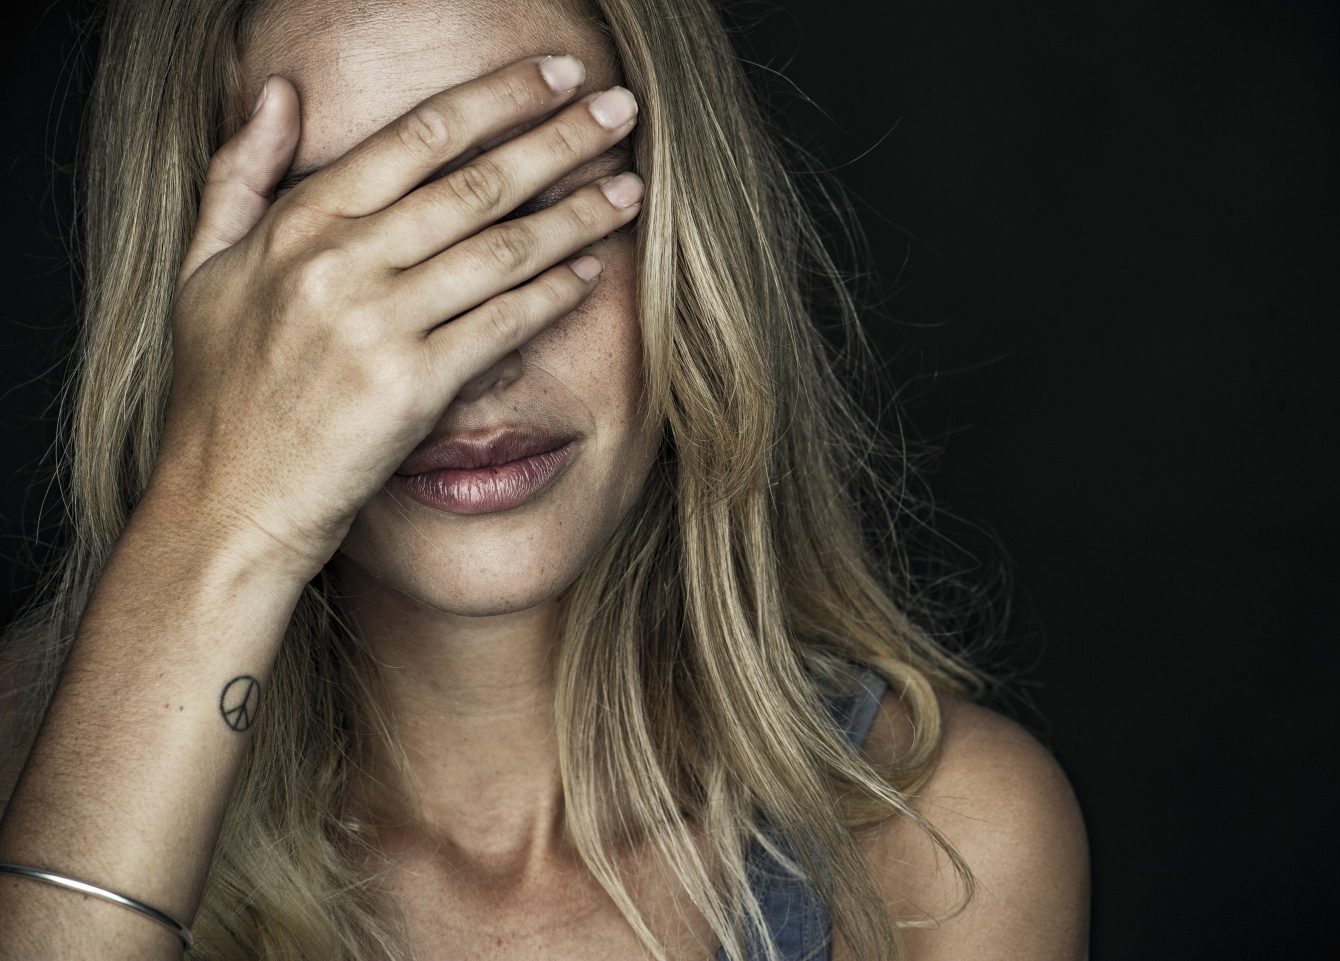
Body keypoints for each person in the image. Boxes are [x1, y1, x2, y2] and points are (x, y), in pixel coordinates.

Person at [0, 0, 1089, 958]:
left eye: (541, 207)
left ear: (683, 238)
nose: (474, 357)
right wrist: (221, 520)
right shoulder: (26, 775)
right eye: (364, 256)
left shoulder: (947, 847)